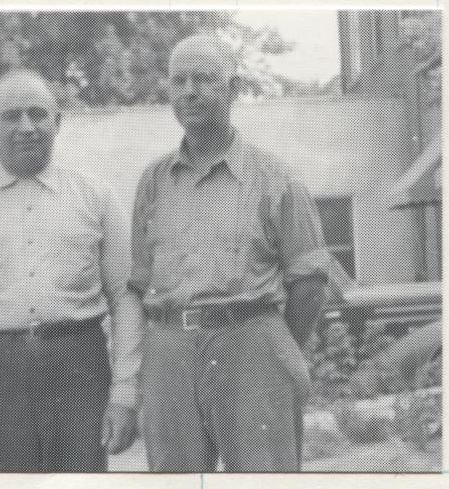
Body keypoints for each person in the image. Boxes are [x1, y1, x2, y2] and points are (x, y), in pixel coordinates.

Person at [0, 68, 141, 472]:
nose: (27, 127)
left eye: (39, 114)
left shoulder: (96, 198)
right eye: (12, 116)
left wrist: (125, 392)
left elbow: (125, 299)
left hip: (80, 367)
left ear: (57, 122)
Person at [129, 34, 331, 472]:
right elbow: (138, 280)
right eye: (178, 81)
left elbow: (311, 282)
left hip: (250, 342)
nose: (189, 92)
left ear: (233, 90)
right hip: (169, 349)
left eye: (203, 80)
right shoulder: (154, 181)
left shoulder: (276, 178)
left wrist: (271, 347)